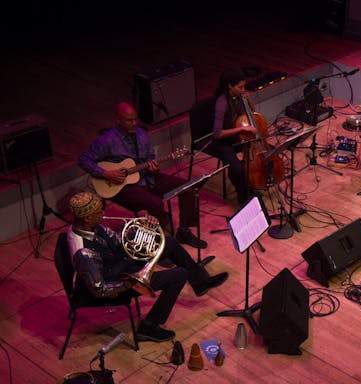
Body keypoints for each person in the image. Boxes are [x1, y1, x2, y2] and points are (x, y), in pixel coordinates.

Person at [66, 191, 229, 342]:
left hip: (121, 264)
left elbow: (116, 241)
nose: (104, 214)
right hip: (118, 284)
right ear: (87, 218)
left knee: (170, 242)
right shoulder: (84, 252)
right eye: (99, 212)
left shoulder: (91, 226)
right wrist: (131, 282)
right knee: (178, 275)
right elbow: (100, 289)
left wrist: (143, 229)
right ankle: (149, 327)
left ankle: (199, 282)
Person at [78, 102, 207, 249]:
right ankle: (156, 243)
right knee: (156, 204)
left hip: (146, 177)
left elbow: (150, 159)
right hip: (122, 186)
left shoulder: (142, 134)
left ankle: (183, 231)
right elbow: (83, 159)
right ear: (118, 120)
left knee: (188, 187)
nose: (134, 123)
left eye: (135, 119)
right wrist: (106, 173)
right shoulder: (106, 140)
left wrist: (154, 169)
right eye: (129, 120)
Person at [207, 68, 257, 205]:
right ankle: (243, 196)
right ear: (230, 86)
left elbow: (252, 115)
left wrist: (249, 101)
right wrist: (240, 129)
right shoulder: (222, 102)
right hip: (223, 141)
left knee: (263, 154)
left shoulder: (240, 97)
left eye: (244, 86)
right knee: (236, 168)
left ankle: (252, 186)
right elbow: (217, 133)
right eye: (240, 87)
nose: (243, 89)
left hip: (238, 137)